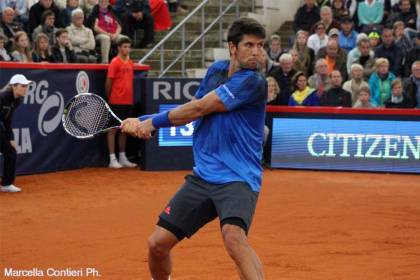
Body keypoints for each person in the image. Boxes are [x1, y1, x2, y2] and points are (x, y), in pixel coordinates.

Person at [121, 18, 267, 280]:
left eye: (260, 45)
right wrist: (148, 123)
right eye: (250, 45)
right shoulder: (217, 70)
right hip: (203, 177)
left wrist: (149, 123)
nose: (257, 52)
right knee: (157, 245)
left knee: (233, 238)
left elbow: (200, 108)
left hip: (238, 178)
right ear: (233, 47)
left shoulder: (253, 81)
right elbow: (194, 106)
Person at [106, 36, 137, 169]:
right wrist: (109, 98)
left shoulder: (130, 63)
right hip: (116, 100)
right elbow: (108, 82)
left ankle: (122, 157)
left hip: (127, 100)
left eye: (128, 46)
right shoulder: (115, 62)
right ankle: (112, 159)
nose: (127, 49)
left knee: (125, 129)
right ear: (118, 48)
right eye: (124, 46)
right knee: (113, 129)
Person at [0, 74, 33, 192]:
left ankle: (6, 184)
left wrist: (11, 138)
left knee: (11, 152)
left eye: (26, 86)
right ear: (14, 86)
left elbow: (7, 120)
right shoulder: (2, 97)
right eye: (23, 86)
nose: (25, 88)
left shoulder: (17, 100)